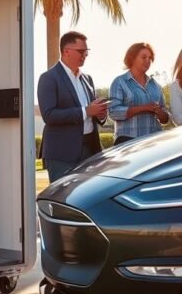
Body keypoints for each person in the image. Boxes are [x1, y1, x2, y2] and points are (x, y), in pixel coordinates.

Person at [38, 31, 109, 182]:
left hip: (90, 149)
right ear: (66, 51)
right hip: (62, 153)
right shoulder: (48, 78)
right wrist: (86, 111)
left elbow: (91, 112)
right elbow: (49, 115)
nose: (85, 55)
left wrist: (100, 114)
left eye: (87, 52)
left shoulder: (87, 79)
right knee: (63, 199)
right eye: (81, 51)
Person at [108, 43, 170, 145]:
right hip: (127, 142)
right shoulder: (119, 82)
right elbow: (113, 112)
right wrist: (143, 108)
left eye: (150, 58)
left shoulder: (156, 85)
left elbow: (166, 118)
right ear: (132, 58)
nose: (147, 61)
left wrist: (161, 113)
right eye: (143, 57)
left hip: (154, 141)